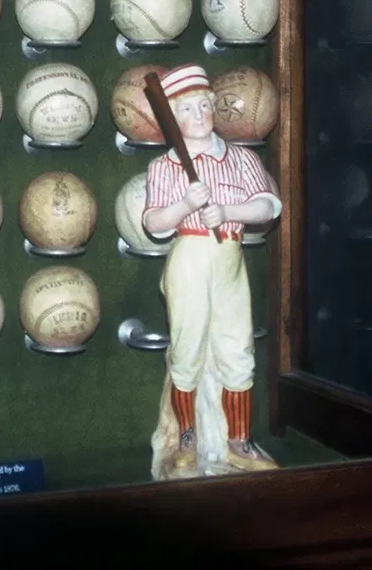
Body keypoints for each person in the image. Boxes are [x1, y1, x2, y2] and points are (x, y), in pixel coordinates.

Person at [143, 63, 281, 477]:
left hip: (229, 257)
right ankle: (186, 439)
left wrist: (227, 210)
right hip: (189, 257)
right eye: (186, 109)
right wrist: (186, 204)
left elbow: (269, 206)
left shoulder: (240, 158)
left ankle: (239, 443)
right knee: (187, 351)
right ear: (174, 117)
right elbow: (153, 223)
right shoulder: (165, 166)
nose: (199, 115)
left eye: (204, 105)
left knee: (237, 350)